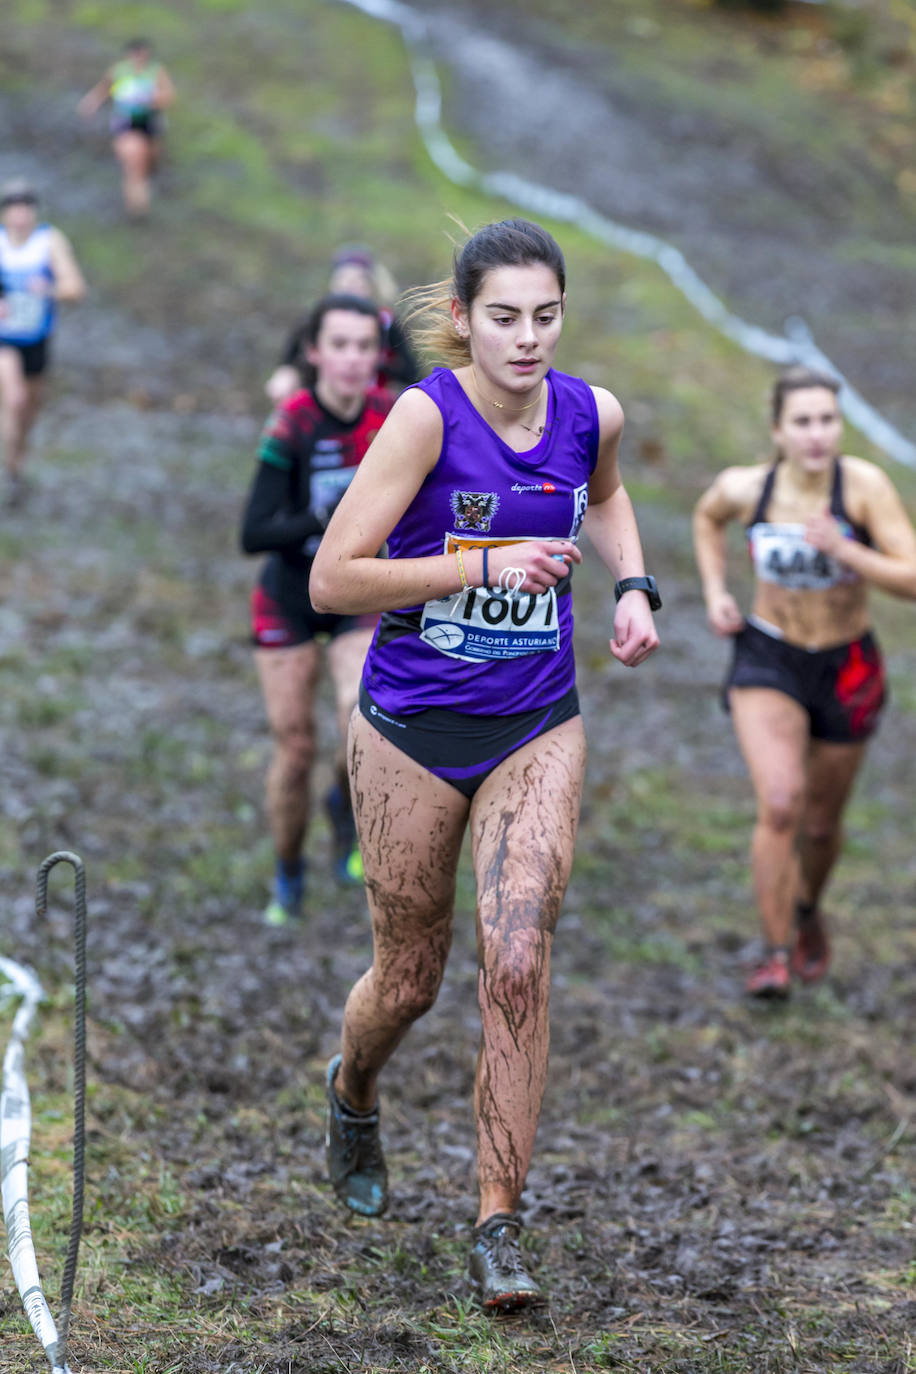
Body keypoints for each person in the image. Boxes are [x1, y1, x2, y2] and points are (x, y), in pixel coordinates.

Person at [309, 218, 661, 1310]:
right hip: (410, 728)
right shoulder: (424, 419)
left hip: (533, 723)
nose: (527, 339)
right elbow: (333, 579)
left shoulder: (589, 414)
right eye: (504, 318)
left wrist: (635, 586)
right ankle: (352, 1089)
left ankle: (496, 1223)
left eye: (545, 317)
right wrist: (475, 566)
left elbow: (602, 498)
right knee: (409, 981)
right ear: (463, 320)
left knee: (517, 957)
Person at [693, 366, 916, 999]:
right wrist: (715, 592)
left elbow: (913, 575)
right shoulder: (748, 489)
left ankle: (807, 908)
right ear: (778, 430)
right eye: (804, 422)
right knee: (783, 802)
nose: (818, 434)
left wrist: (849, 553)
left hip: (847, 667)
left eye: (828, 420)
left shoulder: (863, 488)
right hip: (769, 656)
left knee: (821, 824)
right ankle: (773, 954)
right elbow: (707, 518)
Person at [240, 293, 395, 925]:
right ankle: (288, 868)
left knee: (360, 721)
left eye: (365, 347)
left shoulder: (395, 417)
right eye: (340, 346)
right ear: (314, 353)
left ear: (379, 355)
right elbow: (253, 534)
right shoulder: (293, 424)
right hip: (288, 597)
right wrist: (322, 518)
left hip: (358, 596)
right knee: (295, 747)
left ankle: (342, 801)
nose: (353, 360)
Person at [0, 180, 87, 506]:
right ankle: (10, 465)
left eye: (26, 209)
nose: (20, 216)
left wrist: (48, 289)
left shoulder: (48, 241)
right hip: (3, 340)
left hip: (36, 341)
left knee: (29, 410)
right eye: (14, 209)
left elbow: (76, 288)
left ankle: (17, 455)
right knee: (15, 398)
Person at [265, 244, 420, 405]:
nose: (350, 288)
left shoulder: (387, 323)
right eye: (344, 281)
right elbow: (290, 360)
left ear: (371, 286)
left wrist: (376, 365)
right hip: (320, 403)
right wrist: (286, 374)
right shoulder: (314, 319)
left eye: (358, 281)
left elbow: (411, 373)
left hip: (370, 406)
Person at [77, 39, 176, 218]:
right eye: (135, 53)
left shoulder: (155, 71)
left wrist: (153, 99)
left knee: (150, 161)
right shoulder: (119, 71)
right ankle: (137, 208)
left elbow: (168, 96)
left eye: (142, 53)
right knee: (134, 165)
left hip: (150, 122)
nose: (138, 57)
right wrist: (91, 103)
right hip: (127, 122)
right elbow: (104, 88)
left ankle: (148, 181)